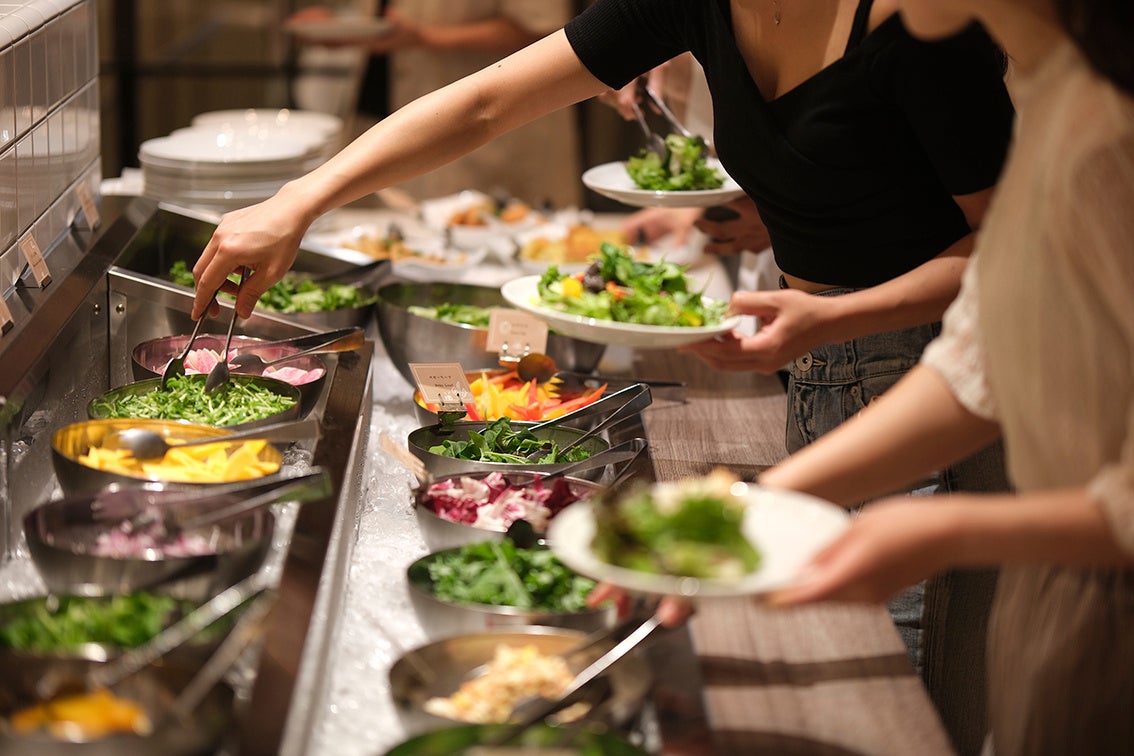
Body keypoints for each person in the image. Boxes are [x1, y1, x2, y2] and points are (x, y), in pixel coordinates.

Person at [190, 3, 1011, 732]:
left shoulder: (928, 26)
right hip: (817, 373)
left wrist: (839, 315)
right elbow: (485, 103)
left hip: (934, 386)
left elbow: (1006, 253)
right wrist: (301, 198)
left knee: (882, 707)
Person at [738, 0, 1134, 752]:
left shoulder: (1112, 129)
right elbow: (974, 366)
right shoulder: (1058, 96)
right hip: (1063, 597)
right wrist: (747, 509)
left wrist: (956, 528)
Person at [289, 1, 582, 206]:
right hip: (385, 113)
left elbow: (549, 32)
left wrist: (427, 37)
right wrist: (341, 25)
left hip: (484, 133)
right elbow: (391, 16)